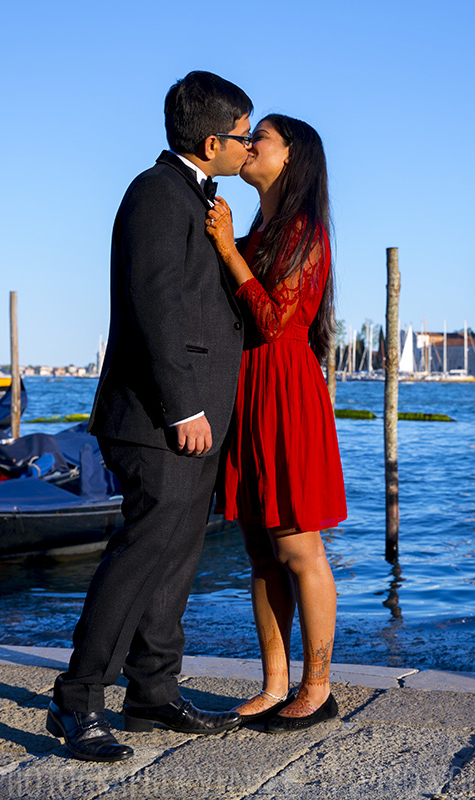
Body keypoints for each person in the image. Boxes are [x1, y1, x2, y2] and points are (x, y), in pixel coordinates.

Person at [47, 71, 253, 762]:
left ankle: (153, 692)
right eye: (243, 136)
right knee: (139, 557)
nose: (249, 146)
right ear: (212, 140)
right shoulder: (157, 195)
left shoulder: (195, 197)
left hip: (193, 418)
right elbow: (156, 308)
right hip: (159, 418)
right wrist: (185, 406)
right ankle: (78, 702)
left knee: (176, 557)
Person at [205, 114, 347, 733]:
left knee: (296, 544)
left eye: (261, 136)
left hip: (285, 387)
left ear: (290, 158)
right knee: (260, 551)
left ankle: (318, 687)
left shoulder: (304, 231)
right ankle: (273, 684)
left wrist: (228, 252)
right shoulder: (264, 225)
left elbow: (272, 320)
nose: (248, 143)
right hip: (249, 388)